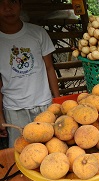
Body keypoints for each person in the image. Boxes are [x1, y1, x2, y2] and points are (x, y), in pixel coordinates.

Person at [0, 0, 60, 148]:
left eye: (12, 1)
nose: (7, 8)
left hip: (44, 105)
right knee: (21, 153)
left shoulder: (38, 33)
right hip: (14, 110)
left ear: (21, 4)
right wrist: (0, 116)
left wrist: (58, 101)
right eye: (1, 3)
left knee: (51, 151)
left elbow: (49, 68)